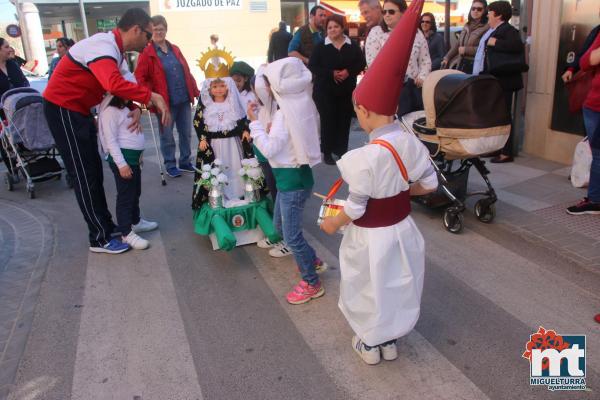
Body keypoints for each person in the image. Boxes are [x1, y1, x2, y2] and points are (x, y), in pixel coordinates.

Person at [320, 0, 437, 365]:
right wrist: (402, 193)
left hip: (371, 238)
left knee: (368, 284)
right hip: (402, 230)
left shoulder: (363, 158)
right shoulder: (410, 141)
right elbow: (429, 184)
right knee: (395, 284)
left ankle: (370, 343)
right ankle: (389, 339)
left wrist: (332, 223)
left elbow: (356, 206)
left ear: (365, 112)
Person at [43, 8, 170, 254]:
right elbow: (112, 83)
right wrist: (151, 96)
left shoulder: (116, 51)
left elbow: (122, 86)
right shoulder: (103, 45)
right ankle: (99, 238)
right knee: (85, 174)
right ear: (136, 29)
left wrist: (134, 106)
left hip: (78, 110)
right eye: (147, 36)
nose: (149, 42)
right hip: (64, 109)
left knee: (93, 172)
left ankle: (109, 225)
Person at [248, 58, 326, 304]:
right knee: (281, 228)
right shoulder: (300, 104)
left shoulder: (284, 114)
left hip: (292, 181)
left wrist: (255, 125)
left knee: (291, 237)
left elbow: (270, 149)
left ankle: (312, 282)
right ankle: (312, 260)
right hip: (294, 178)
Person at [135, 15, 200, 178]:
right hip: (164, 103)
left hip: (183, 99)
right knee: (167, 135)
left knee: (186, 133)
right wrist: (149, 96)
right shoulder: (147, 52)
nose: (158, 32)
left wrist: (196, 91)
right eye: (155, 29)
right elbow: (139, 78)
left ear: (166, 30)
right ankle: (170, 164)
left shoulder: (175, 49)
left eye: (161, 29)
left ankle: (185, 161)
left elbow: (187, 72)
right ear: (151, 31)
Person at [97, 91, 157, 250]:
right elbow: (110, 140)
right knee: (126, 196)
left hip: (133, 159)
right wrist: (121, 164)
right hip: (123, 160)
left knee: (135, 192)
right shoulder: (110, 111)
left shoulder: (124, 107)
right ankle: (126, 232)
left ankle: (135, 221)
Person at [309, 14, 366, 165]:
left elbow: (361, 63)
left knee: (344, 121)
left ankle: (341, 151)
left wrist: (348, 71)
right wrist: (331, 73)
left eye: (336, 26)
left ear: (342, 27)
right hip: (325, 91)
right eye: (329, 27)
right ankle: (327, 152)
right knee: (328, 121)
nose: (332, 30)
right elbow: (313, 66)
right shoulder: (321, 46)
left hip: (346, 91)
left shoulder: (352, 45)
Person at [473, 1, 524, 163]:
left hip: (503, 81)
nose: (487, 14)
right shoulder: (494, 30)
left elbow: (517, 46)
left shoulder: (508, 30)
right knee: (493, 116)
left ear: (498, 15)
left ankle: (506, 152)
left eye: (490, 12)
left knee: (503, 116)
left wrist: (496, 43)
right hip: (491, 79)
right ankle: (495, 148)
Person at [365, 0, 431, 116]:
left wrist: (422, 77)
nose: (386, 15)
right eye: (384, 11)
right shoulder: (376, 33)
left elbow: (425, 60)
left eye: (391, 11)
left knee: (410, 127)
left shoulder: (416, 33)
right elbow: (372, 63)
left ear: (403, 13)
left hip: (411, 89)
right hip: (386, 90)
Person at [192, 77, 249, 207]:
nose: (219, 90)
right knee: (218, 165)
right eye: (215, 87)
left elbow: (241, 118)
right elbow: (198, 122)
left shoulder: (232, 103)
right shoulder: (207, 106)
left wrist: (245, 130)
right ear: (209, 89)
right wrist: (202, 138)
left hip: (232, 143)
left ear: (228, 87)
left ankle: (238, 192)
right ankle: (219, 192)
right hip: (215, 144)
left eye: (222, 86)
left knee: (234, 165)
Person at [566, 31, 600, 216]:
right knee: (596, 153)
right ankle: (595, 200)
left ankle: (595, 200)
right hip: (594, 102)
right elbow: (585, 61)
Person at [0, 38, 29, 174]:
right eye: (6, 47)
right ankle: (13, 168)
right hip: (3, 111)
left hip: (21, 107)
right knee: (5, 138)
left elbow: (24, 82)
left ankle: (31, 158)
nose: (10, 49)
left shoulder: (13, 64)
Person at [441, 1, 489, 73]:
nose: (475, 11)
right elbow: (458, 44)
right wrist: (447, 57)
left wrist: (466, 50)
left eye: (479, 9)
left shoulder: (487, 27)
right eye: (473, 8)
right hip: (461, 63)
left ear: (484, 11)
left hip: (475, 65)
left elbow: (485, 48)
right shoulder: (467, 25)